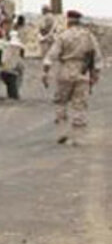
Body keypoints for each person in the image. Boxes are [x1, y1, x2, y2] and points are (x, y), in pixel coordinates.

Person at [43, 10, 102, 146]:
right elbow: (97, 57)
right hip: (82, 72)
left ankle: (62, 132)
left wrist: (45, 72)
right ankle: (77, 138)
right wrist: (95, 75)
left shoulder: (63, 36)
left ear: (68, 21)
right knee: (79, 104)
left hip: (65, 70)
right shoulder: (88, 36)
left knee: (61, 102)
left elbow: (51, 55)